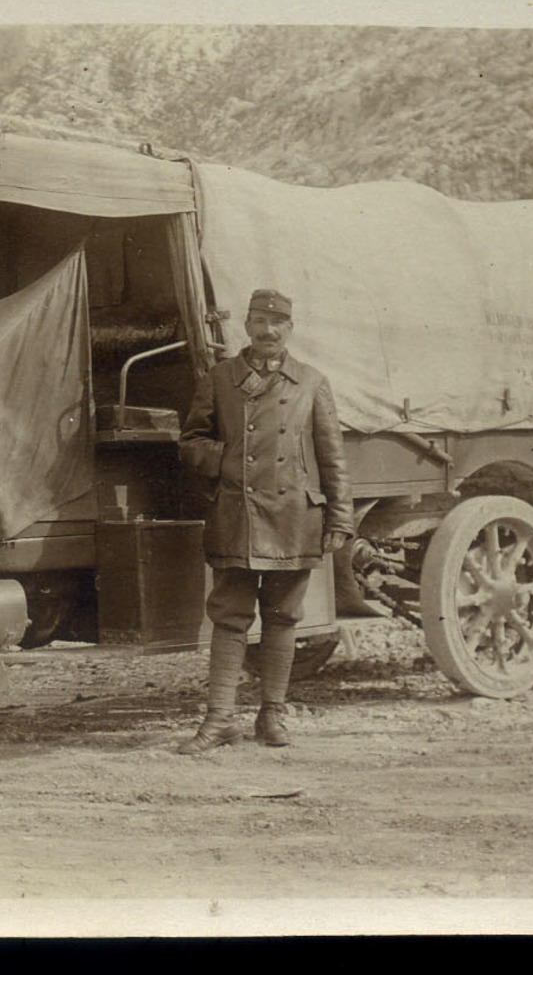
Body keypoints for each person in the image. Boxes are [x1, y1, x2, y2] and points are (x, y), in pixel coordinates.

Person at [176, 289, 354, 753]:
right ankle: (219, 721)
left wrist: (341, 517)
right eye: (258, 321)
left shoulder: (312, 383)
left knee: (282, 618)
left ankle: (272, 718)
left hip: (294, 515)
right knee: (230, 618)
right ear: (247, 326)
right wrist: (228, 460)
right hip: (237, 514)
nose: (267, 331)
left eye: (277, 323)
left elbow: (333, 459)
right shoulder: (219, 379)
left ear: (290, 329)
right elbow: (191, 442)